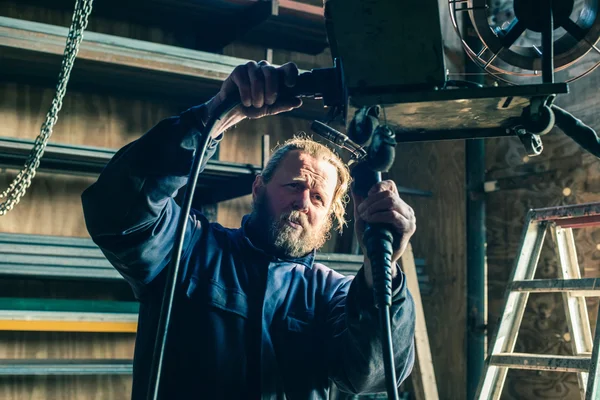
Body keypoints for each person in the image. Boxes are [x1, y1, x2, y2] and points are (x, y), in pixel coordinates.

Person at [81, 60, 416, 399]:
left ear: (330, 217)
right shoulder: (190, 248)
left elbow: (369, 374)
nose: (303, 202)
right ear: (258, 188)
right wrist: (214, 117)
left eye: (317, 197)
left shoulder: (332, 296)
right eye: (294, 185)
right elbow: (116, 212)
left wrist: (381, 266)